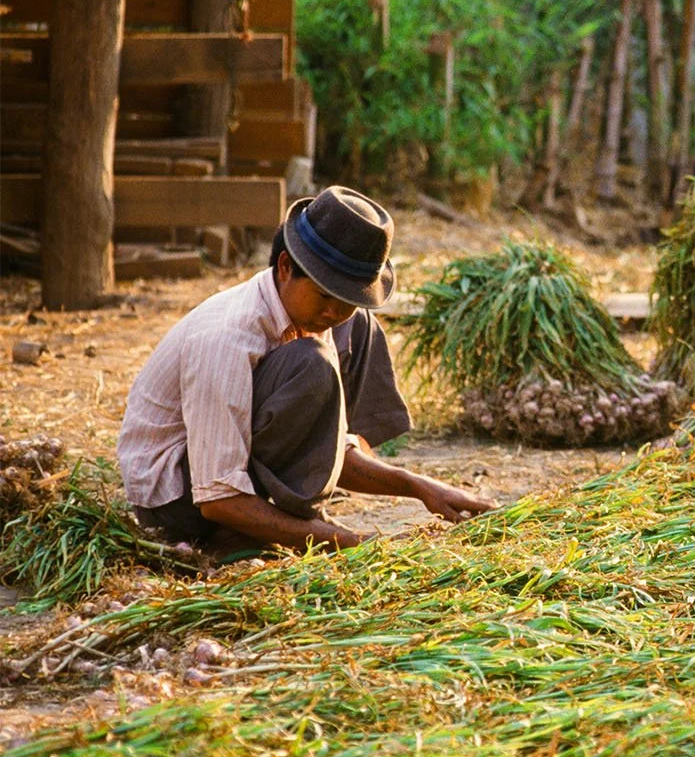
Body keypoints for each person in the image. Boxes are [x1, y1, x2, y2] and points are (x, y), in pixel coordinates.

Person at [118, 186, 495, 551]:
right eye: (324, 294)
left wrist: (420, 487)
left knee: (358, 327)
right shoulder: (227, 337)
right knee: (311, 363)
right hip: (177, 505)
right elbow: (218, 498)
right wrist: (348, 542)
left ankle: (282, 519)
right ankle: (240, 536)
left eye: (347, 298)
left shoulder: (316, 316)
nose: (333, 311)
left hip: (233, 477)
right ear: (285, 267)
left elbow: (328, 452)